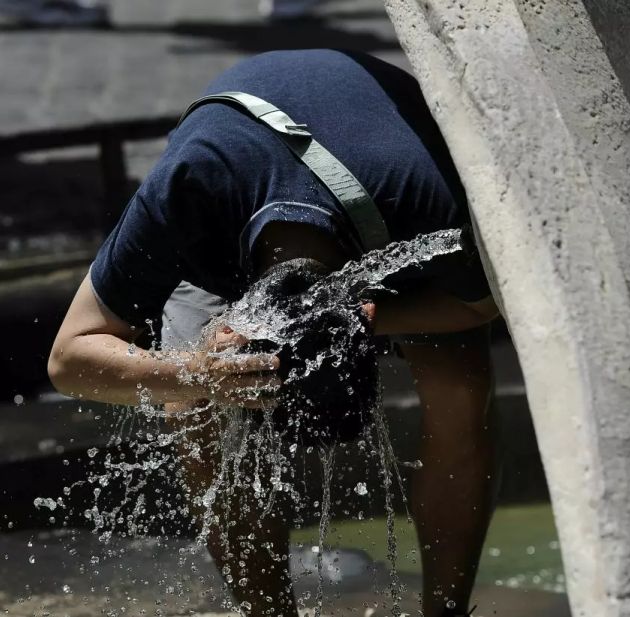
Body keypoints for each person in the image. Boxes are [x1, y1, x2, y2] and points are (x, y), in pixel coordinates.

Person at [48, 49, 499, 617]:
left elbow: (483, 305)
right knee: (187, 408)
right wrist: (202, 375)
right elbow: (68, 359)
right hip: (242, 163)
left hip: (378, 195)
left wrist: (363, 319)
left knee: (462, 392)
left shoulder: (433, 206)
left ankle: (447, 611)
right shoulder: (190, 187)